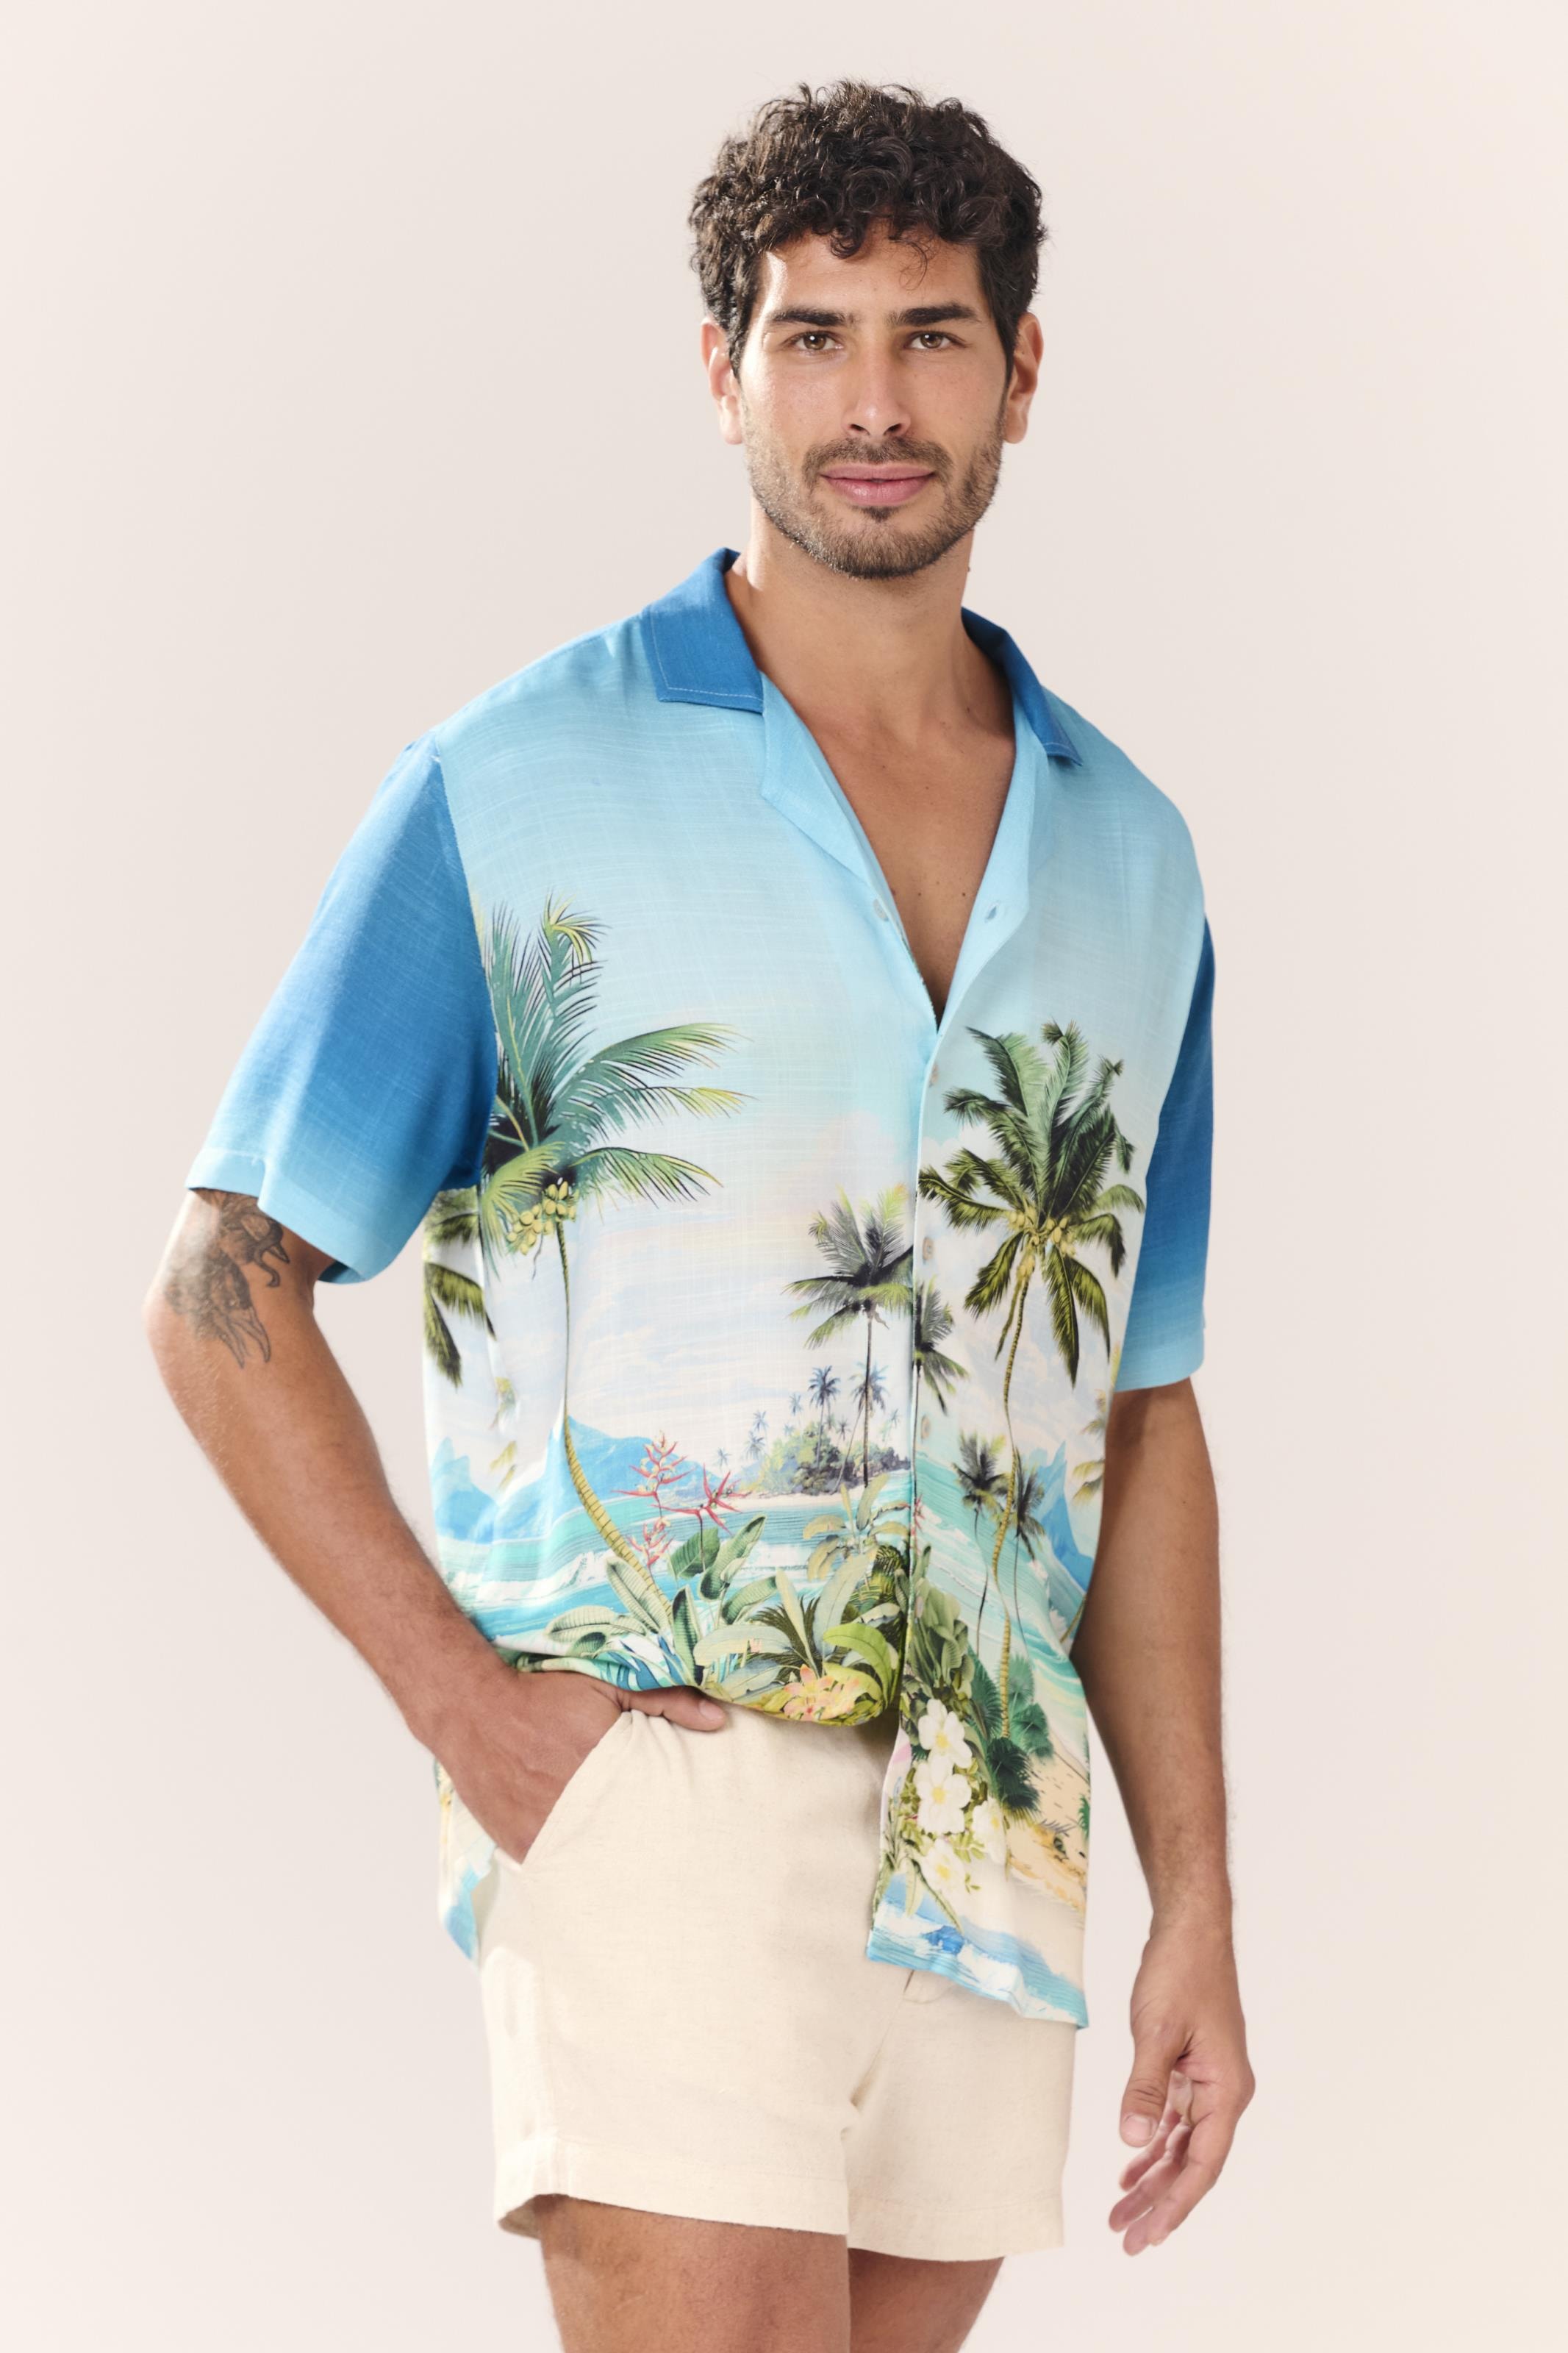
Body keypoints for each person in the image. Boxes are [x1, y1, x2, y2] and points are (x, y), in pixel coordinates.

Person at [146, 78, 1253, 2353]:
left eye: (932, 336)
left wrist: (1200, 1904)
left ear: (1023, 371)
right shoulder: (519, 782)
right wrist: (473, 1714)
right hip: (661, 1777)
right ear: (724, 369)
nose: (875, 405)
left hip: (995, 1825)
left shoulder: (1132, 858)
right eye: (813, 337)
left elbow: (1142, 1412)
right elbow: (220, 1290)